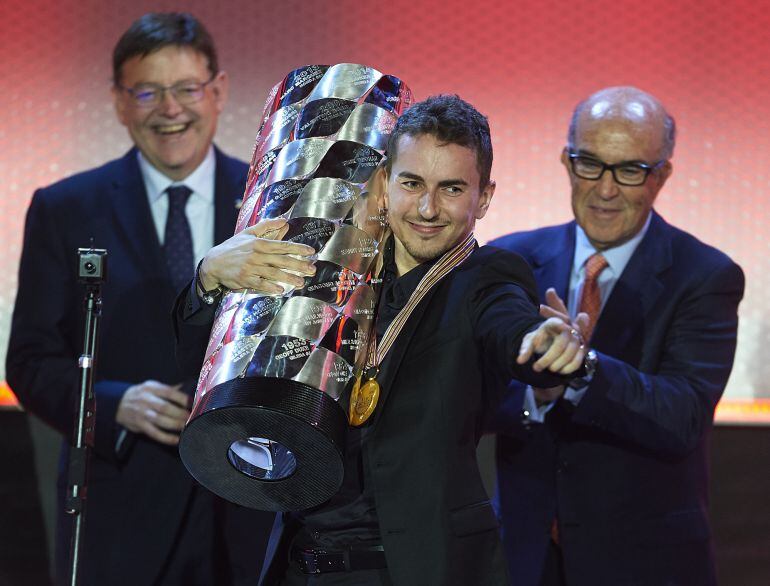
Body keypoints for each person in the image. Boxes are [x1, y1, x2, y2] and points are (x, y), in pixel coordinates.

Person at [175, 94, 589, 585]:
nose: (428, 208)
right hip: (301, 564)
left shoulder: (486, 277)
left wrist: (547, 345)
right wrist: (208, 278)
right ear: (385, 183)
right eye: (412, 183)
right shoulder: (335, 258)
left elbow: (511, 326)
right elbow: (206, 357)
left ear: (485, 197)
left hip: (414, 566)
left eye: (452, 188)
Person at [6, 12, 280, 585]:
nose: (170, 109)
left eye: (186, 89)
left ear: (219, 92)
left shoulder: (269, 205)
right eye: (148, 91)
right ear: (119, 102)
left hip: (247, 504)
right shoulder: (65, 208)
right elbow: (29, 361)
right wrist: (113, 403)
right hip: (120, 507)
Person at [490, 87, 745, 586]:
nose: (606, 189)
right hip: (520, 556)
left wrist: (582, 368)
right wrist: (535, 393)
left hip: (645, 562)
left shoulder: (705, 275)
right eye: (591, 164)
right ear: (567, 161)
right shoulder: (510, 263)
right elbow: (465, 393)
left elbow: (683, 415)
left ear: (663, 175)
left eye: (630, 170)